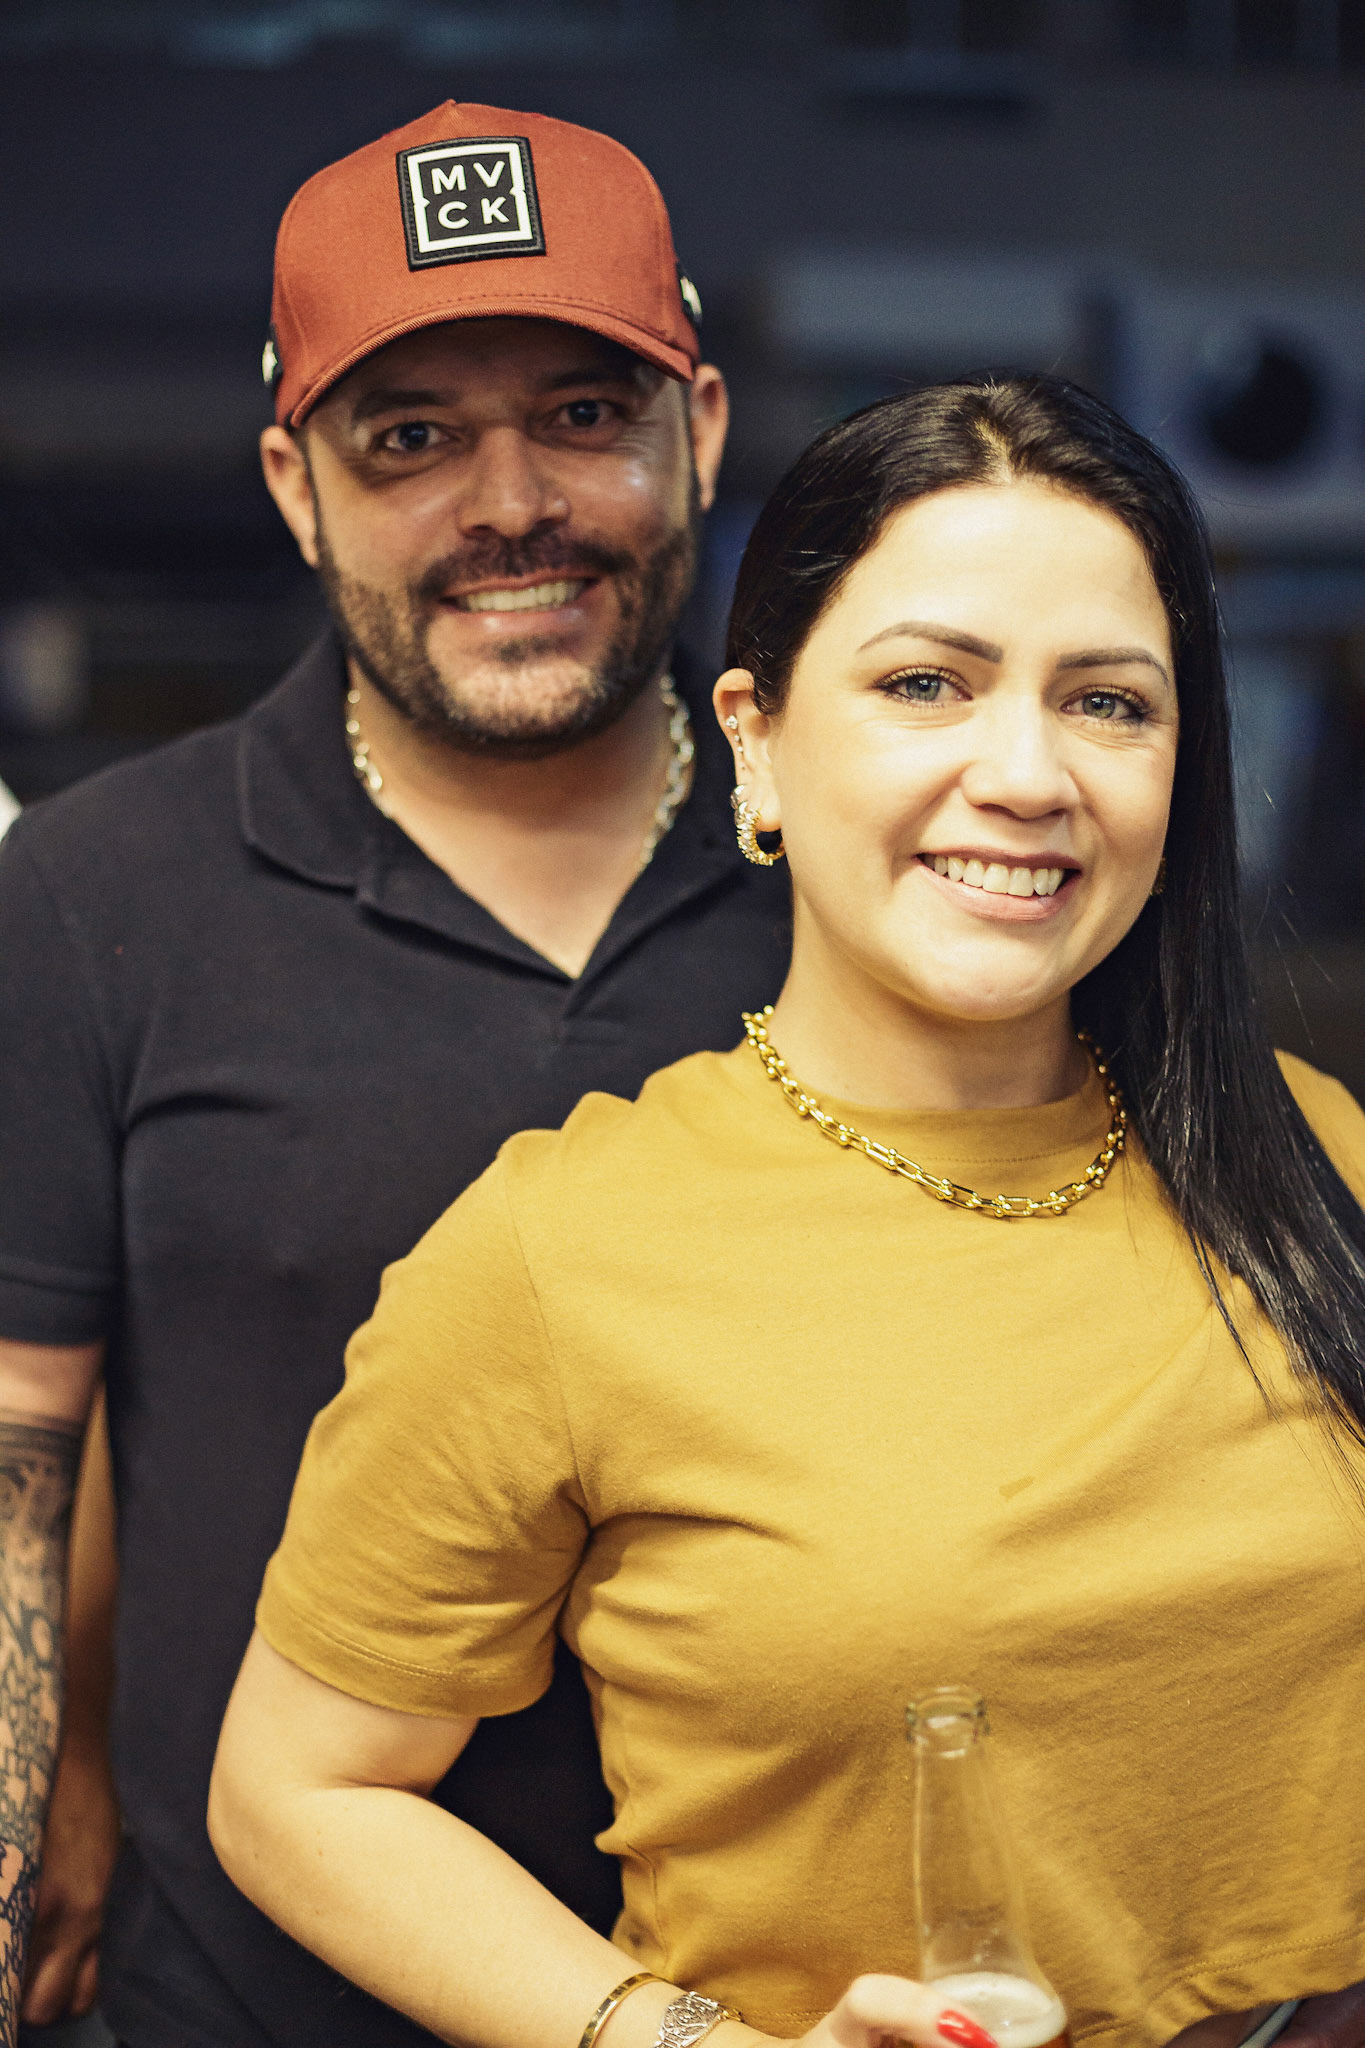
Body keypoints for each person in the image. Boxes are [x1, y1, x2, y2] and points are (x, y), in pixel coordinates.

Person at [210, 375, 1365, 2048]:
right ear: (755, 738)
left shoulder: (1313, 1153)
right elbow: (297, 1791)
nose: (1026, 773)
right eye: (924, 685)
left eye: (1107, 702)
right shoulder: (563, 1249)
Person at [0, 102, 790, 2046]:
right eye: (409, 438)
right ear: (295, 484)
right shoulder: (98, 893)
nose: (505, 504)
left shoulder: (863, 874)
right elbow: (23, 1452)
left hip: (779, 1998)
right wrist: (41, 1798)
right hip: (233, 1997)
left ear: (697, 429)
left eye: (581, 415)